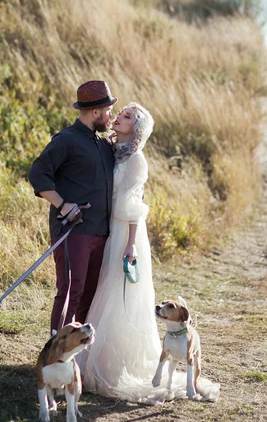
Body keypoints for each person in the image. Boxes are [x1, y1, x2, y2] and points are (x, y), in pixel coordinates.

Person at [79, 102, 220, 403]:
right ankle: (99, 357)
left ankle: (117, 363)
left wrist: (130, 244)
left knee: (120, 294)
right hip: (109, 229)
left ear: (138, 129)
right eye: (121, 113)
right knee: (105, 291)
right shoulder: (115, 151)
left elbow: (133, 207)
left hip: (126, 233)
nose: (119, 117)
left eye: (127, 116)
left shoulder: (136, 160)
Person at [28, 80, 117, 333]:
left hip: (102, 232)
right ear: (96, 112)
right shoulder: (66, 140)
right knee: (70, 290)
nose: (110, 115)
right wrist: (62, 205)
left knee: (90, 293)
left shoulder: (104, 145)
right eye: (108, 110)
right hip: (72, 230)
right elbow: (38, 174)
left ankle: (77, 353)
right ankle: (56, 351)